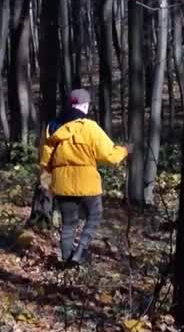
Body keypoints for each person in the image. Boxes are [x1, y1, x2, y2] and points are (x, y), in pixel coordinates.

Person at [39, 89, 127, 266]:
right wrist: (125, 150)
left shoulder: (52, 127)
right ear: (84, 106)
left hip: (62, 184)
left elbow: (44, 161)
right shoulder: (90, 127)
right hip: (87, 184)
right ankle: (79, 253)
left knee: (69, 223)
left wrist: (47, 184)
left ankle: (66, 261)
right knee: (95, 215)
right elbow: (110, 156)